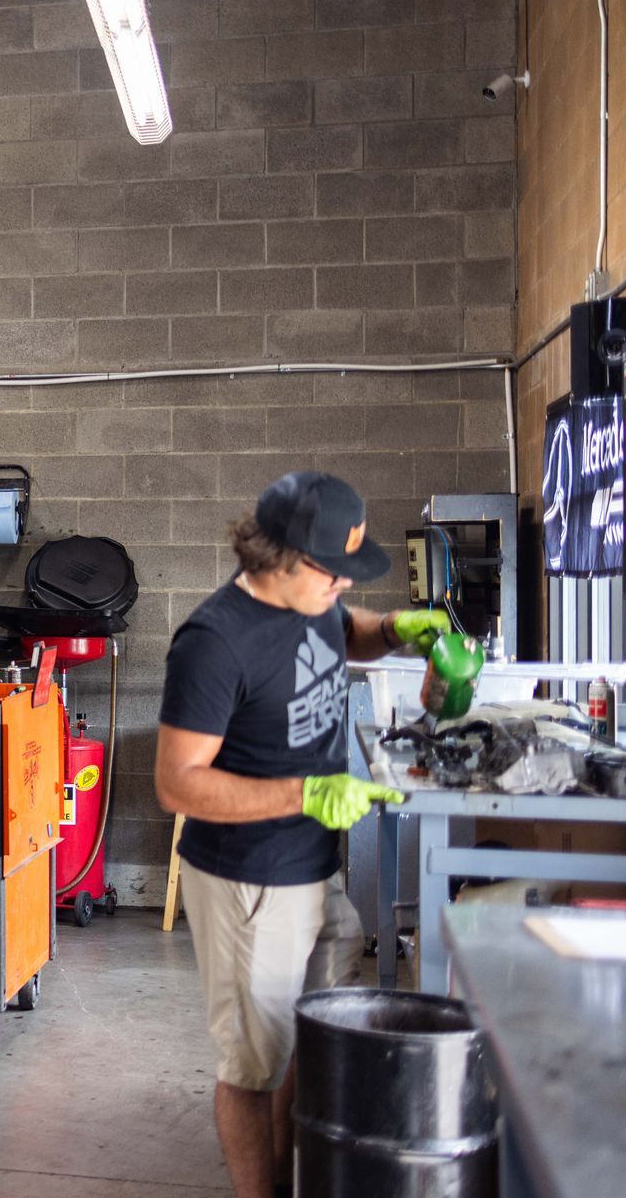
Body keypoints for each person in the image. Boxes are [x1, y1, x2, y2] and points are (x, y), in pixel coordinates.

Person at [154, 471, 448, 1198]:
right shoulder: (214, 643)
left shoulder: (315, 601)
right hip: (248, 881)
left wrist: (395, 630)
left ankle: (289, 1179)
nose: (345, 585)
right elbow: (177, 782)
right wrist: (305, 792)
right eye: (336, 570)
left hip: (314, 867)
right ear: (281, 556)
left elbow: (348, 631)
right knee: (252, 1068)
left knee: (303, 1049)